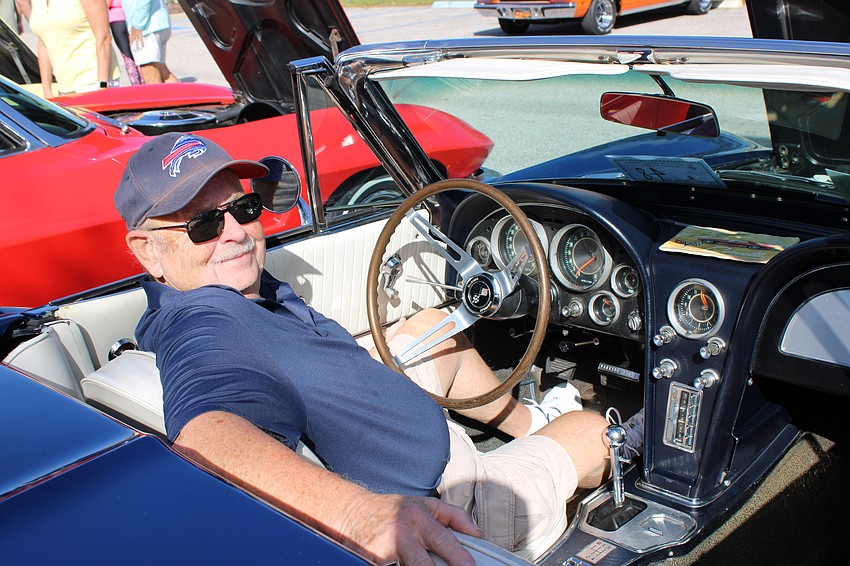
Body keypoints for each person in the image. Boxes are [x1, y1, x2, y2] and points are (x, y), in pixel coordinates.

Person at [115, 133, 634, 565]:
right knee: (594, 429)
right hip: (443, 492)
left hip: (380, 426)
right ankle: (547, 474)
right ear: (146, 250)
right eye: (203, 223)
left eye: (244, 208)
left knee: (437, 327)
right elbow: (207, 436)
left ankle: (531, 424)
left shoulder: (222, 290)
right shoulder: (201, 321)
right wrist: (362, 515)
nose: (235, 233)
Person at [27, 0, 120, 97]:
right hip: (63, 85)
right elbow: (44, 41)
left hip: (92, 79)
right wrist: (47, 90)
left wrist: (102, 85)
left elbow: (104, 38)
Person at [123, 0, 176, 84]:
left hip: (146, 28)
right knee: (163, 73)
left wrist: (138, 25)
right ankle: (186, 96)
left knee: (150, 76)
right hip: (157, 23)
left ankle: (161, 97)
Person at [108, 0, 141, 85]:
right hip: (132, 16)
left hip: (116, 18)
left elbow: (107, 3)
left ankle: (137, 85)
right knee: (139, 53)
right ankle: (145, 82)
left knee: (128, 57)